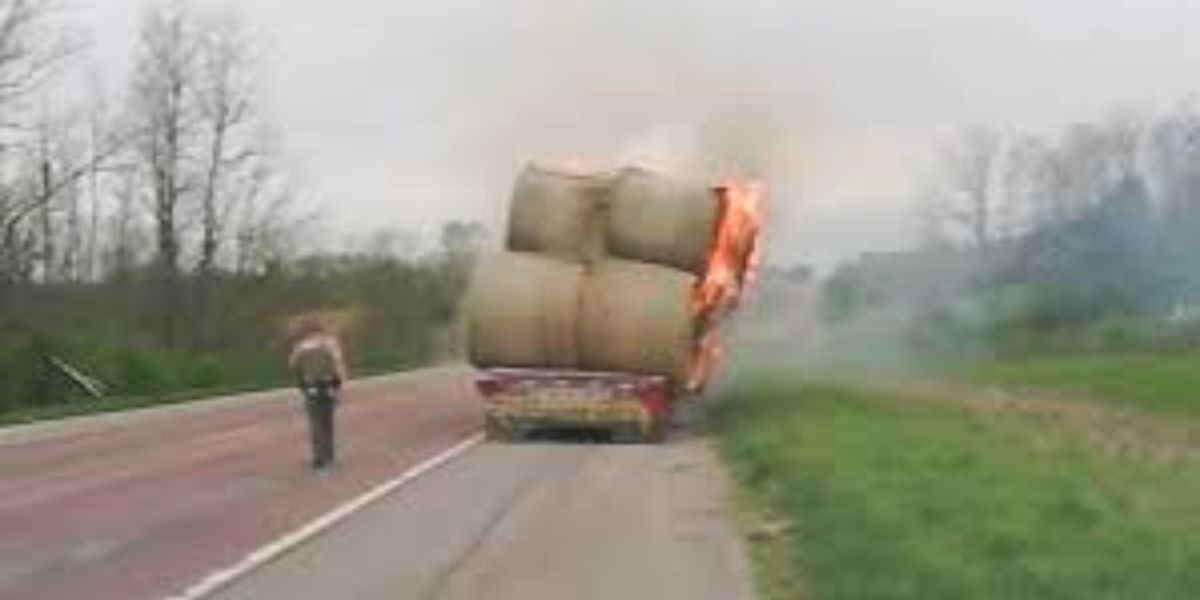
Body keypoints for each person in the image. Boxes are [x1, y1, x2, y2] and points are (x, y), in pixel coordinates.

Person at [288, 318, 350, 471]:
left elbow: (292, 364)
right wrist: (341, 385)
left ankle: (319, 457)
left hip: (311, 386)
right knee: (327, 420)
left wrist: (300, 383)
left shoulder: (301, 346)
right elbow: (339, 364)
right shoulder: (330, 342)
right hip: (329, 385)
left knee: (316, 422)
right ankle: (329, 455)